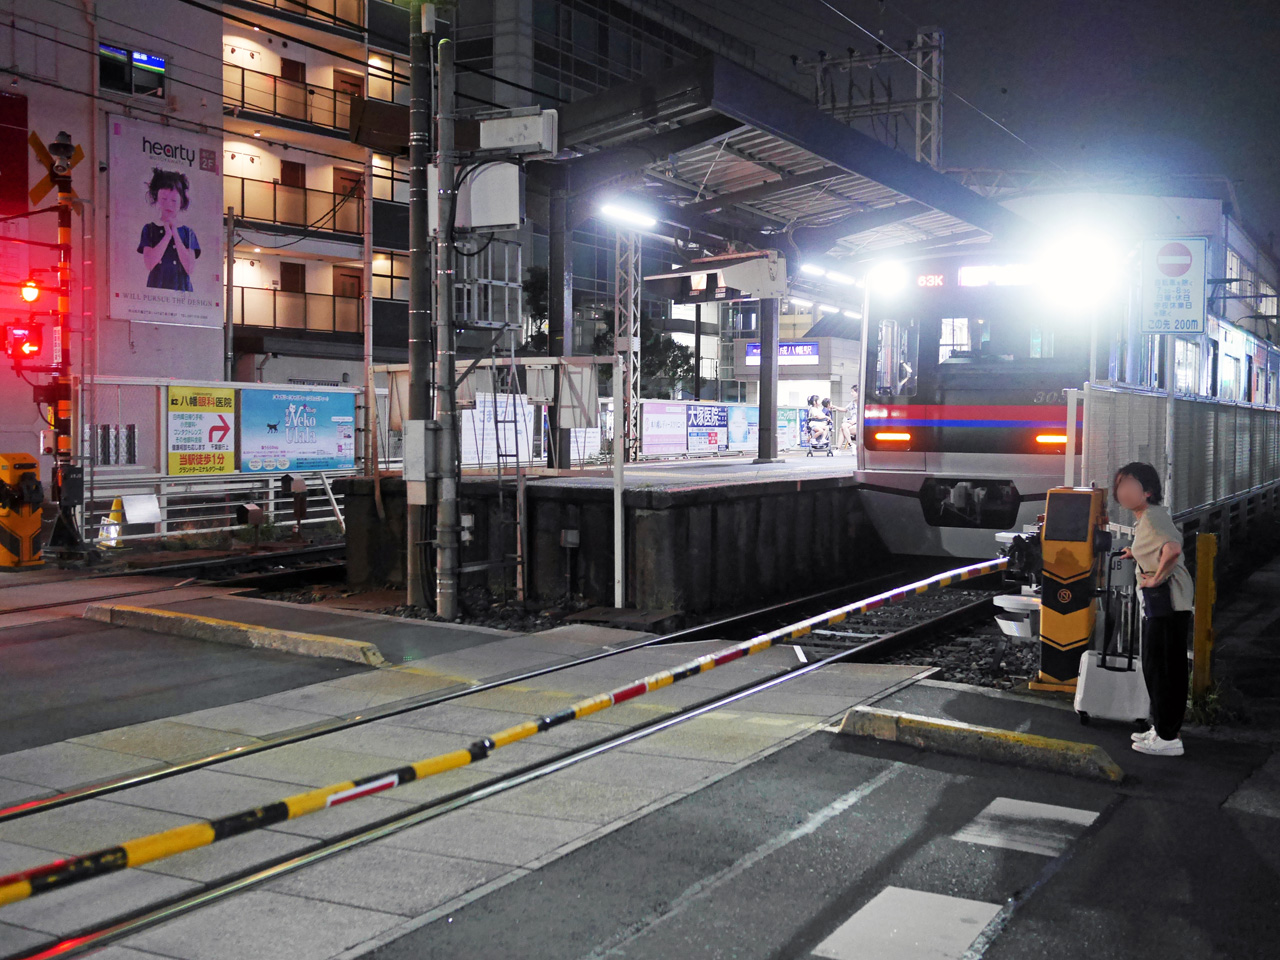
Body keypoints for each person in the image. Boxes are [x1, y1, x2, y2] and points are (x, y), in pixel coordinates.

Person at [1113, 461, 1194, 757]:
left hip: (1168, 603)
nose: (1121, 491)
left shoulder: (1152, 518)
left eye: (1128, 485)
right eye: (1119, 485)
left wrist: (1156, 579)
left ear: (1147, 491)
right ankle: (1161, 728)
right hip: (1166, 605)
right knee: (1157, 665)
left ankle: (1169, 737)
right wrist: (1134, 550)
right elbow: (1157, 546)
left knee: (1164, 669)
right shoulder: (1148, 518)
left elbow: (1172, 549)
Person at [138, 167, 200, 291]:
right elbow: (149, 264)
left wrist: (175, 234)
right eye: (164, 199)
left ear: (181, 202)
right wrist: (167, 236)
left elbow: (190, 268)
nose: (169, 205)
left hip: (182, 292)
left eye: (174, 200)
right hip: (156, 292)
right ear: (157, 199)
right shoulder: (149, 228)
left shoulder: (188, 232)